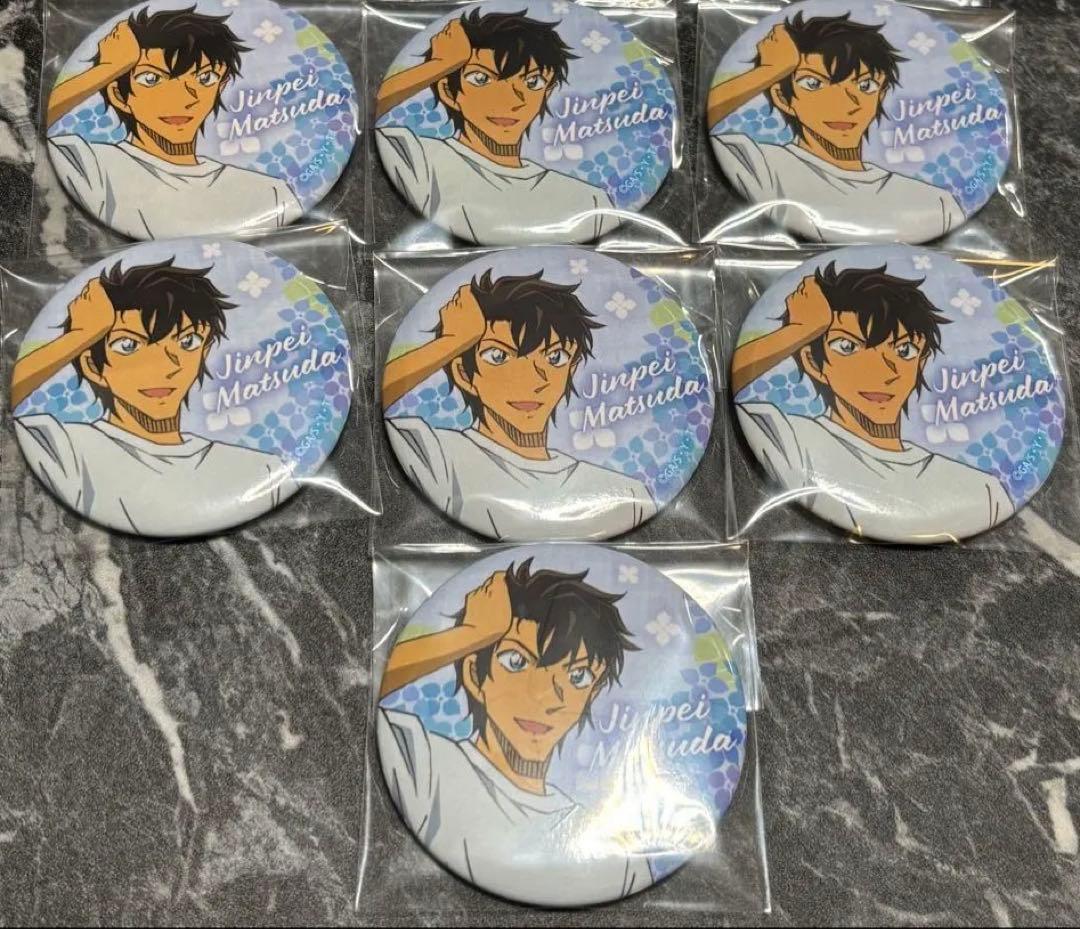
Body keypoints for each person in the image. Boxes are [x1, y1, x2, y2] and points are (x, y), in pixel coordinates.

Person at [378, 561, 653, 904]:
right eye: (516, 662)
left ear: (592, 695)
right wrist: (471, 635)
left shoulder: (618, 848)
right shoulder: (424, 762)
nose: (546, 696)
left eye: (578, 676)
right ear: (474, 675)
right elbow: (374, 690)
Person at [731, 263, 1014, 541]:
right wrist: (800, 330)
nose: (883, 372)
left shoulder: (982, 491)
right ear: (813, 362)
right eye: (847, 346)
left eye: (904, 350)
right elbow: (727, 389)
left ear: (921, 361)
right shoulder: (787, 437)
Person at [12, 259, 295, 535]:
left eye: (187, 341)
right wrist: (79, 336)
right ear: (92, 366)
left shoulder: (259, 470)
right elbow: (14, 398)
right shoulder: (66, 447)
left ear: (204, 351)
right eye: (128, 345)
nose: (165, 367)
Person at [382, 268, 657, 539]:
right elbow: (381, 399)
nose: (533, 381)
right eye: (498, 356)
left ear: (571, 370)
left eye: (555, 357)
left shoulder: (626, 496)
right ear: (464, 374)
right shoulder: (436, 453)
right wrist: (451, 342)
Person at [707, 13, 965, 243]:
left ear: (881, 94)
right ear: (782, 98)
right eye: (814, 84)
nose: (846, 105)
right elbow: (704, 119)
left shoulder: (935, 203)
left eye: (865, 86)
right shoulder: (756, 163)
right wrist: (768, 71)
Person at [47, 6, 302, 238]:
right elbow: (42, 125)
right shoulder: (90, 164)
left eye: (205, 78)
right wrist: (107, 69)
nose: (184, 99)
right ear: (118, 95)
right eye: (151, 79)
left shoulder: (270, 193)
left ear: (221, 86)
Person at [375, 8, 618, 244]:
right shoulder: (419, 158)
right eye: (481, 79)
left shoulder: (590, 201)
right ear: (449, 92)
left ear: (547, 92)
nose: (511, 100)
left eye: (532, 82)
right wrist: (440, 64)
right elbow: (367, 115)